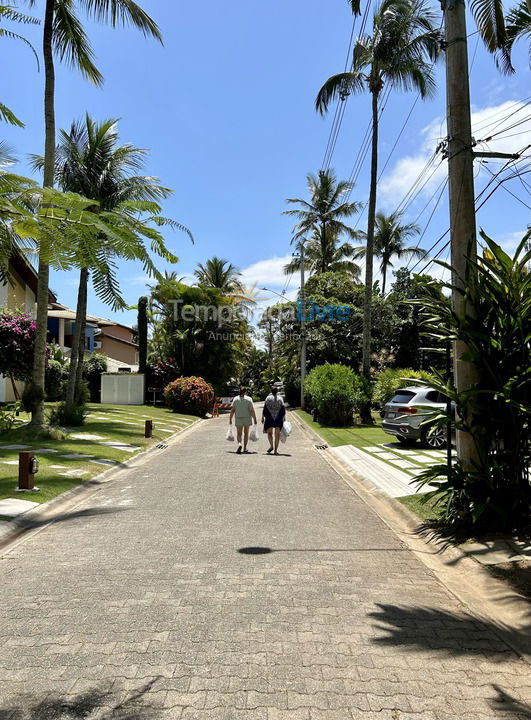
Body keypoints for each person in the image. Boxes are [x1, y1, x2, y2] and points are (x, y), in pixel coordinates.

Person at [229, 387, 257, 454]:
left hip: (238, 418)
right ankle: (244, 448)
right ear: (245, 392)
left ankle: (239, 444)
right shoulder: (249, 399)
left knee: (239, 434)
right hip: (247, 418)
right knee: (246, 433)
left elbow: (233, 410)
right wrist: (255, 419)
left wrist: (230, 418)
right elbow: (252, 410)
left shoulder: (235, 399)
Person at [262, 385, 286, 455]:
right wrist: (284, 418)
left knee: (269, 433)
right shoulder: (280, 399)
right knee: (277, 435)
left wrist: (262, 417)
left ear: (271, 391)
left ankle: (271, 446)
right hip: (278, 419)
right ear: (277, 391)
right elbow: (283, 409)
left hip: (269, 418)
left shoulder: (268, 398)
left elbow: (265, 409)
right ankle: (275, 451)